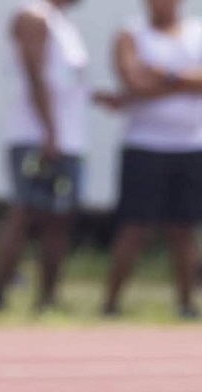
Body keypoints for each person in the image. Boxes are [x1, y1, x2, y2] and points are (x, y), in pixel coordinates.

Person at [96, 0, 202, 319]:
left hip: (190, 145)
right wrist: (185, 84)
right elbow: (134, 82)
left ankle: (187, 304)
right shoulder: (131, 34)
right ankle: (111, 303)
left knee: (183, 228)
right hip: (144, 145)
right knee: (134, 227)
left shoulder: (197, 32)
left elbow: (147, 85)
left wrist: (164, 76)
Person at [0, 0, 89, 312]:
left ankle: (47, 298)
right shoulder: (33, 15)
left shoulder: (64, 24)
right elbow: (34, 74)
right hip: (37, 136)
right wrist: (50, 129)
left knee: (59, 217)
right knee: (25, 212)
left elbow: (65, 80)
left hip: (67, 138)